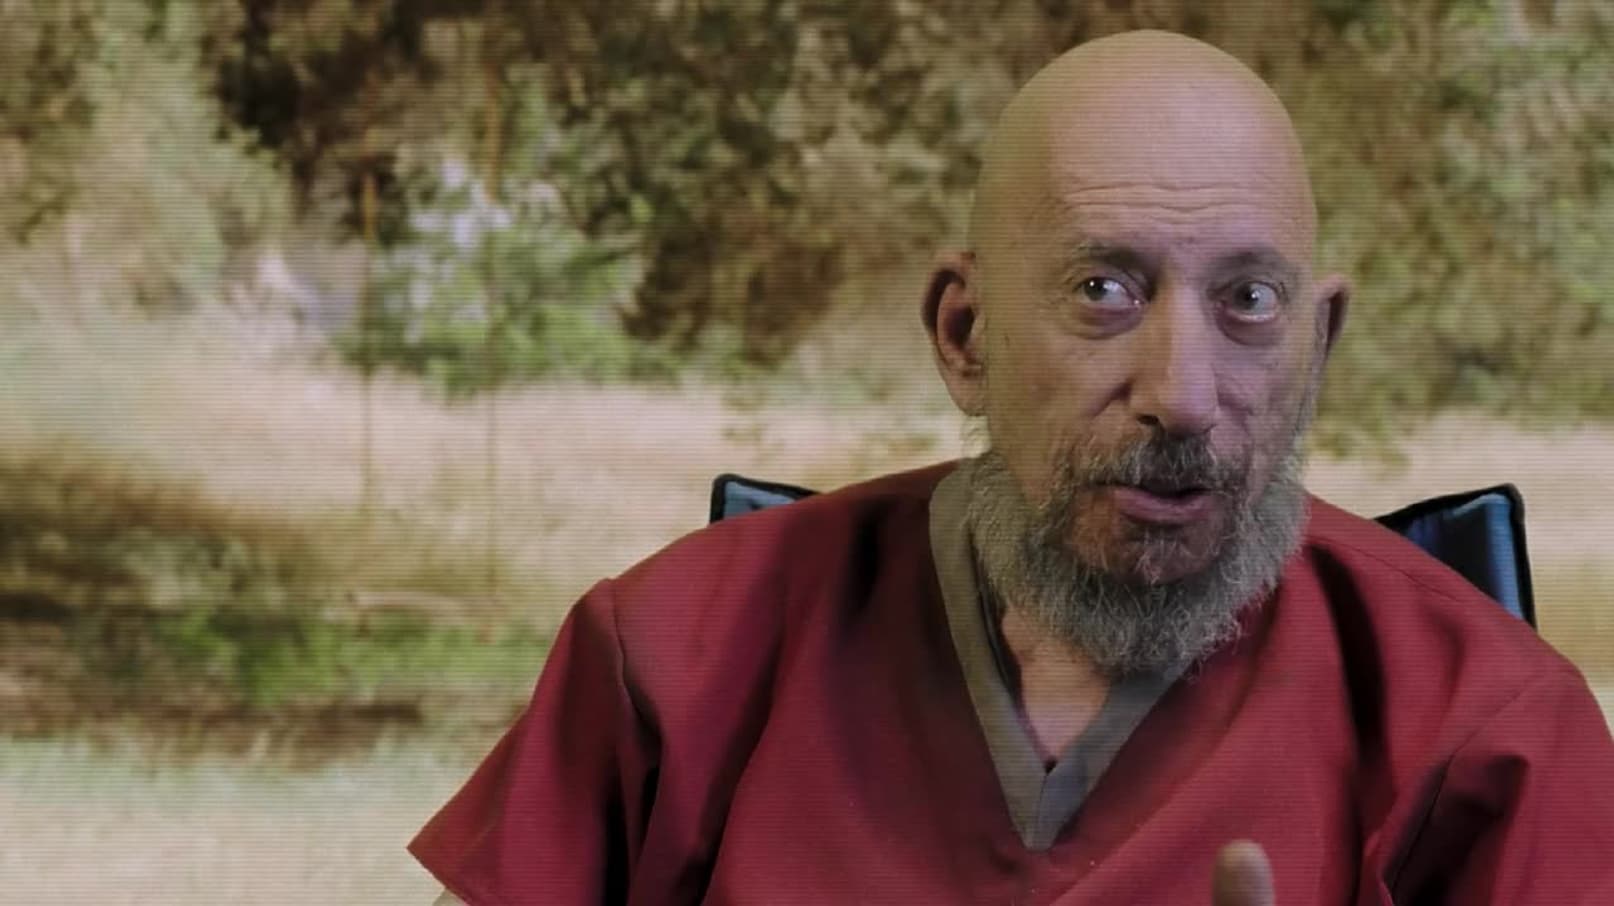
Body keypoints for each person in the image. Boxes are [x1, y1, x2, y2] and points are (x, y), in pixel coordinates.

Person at [412, 29, 1614, 905]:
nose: (1183, 392)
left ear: (1319, 345)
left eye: (1249, 301)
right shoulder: (676, 659)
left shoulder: (1486, 730)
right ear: (965, 333)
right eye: (1104, 288)